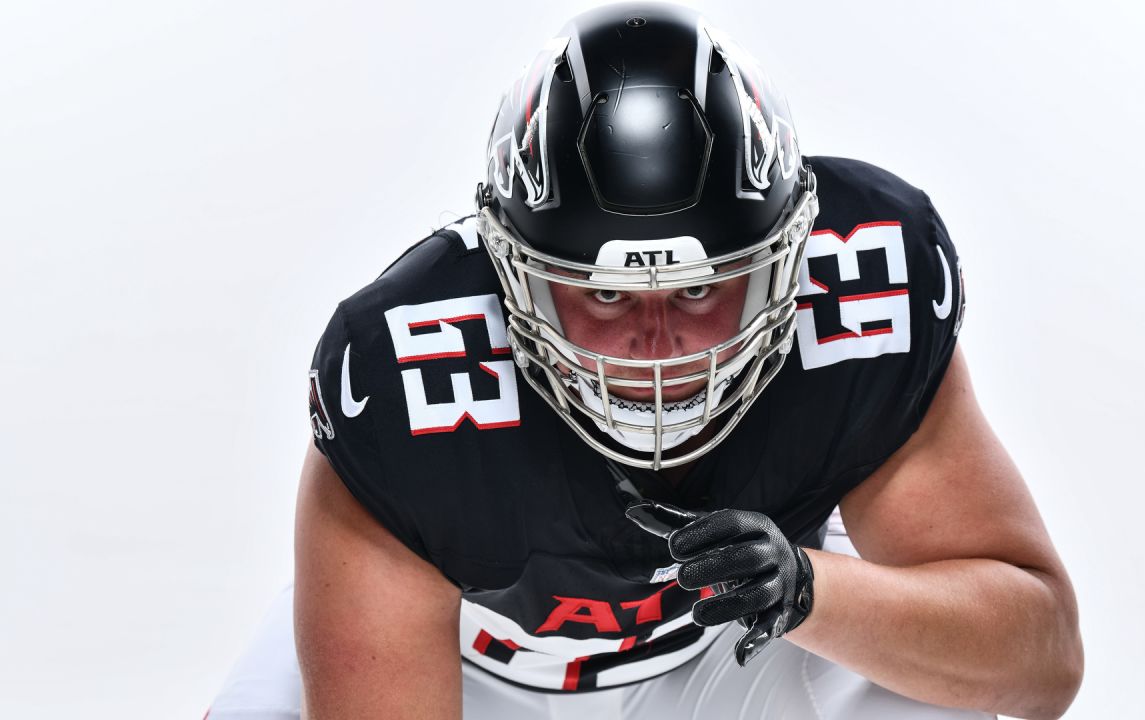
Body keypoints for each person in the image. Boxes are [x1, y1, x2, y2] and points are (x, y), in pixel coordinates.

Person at [207, 4, 1083, 719]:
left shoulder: (857, 293)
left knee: (927, 692)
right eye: (607, 295)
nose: (656, 343)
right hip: (467, 667)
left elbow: (1042, 662)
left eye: (702, 291)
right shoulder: (409, 380)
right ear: (517, 280)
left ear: (785, 262)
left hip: (737, 656)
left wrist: (811, 592)